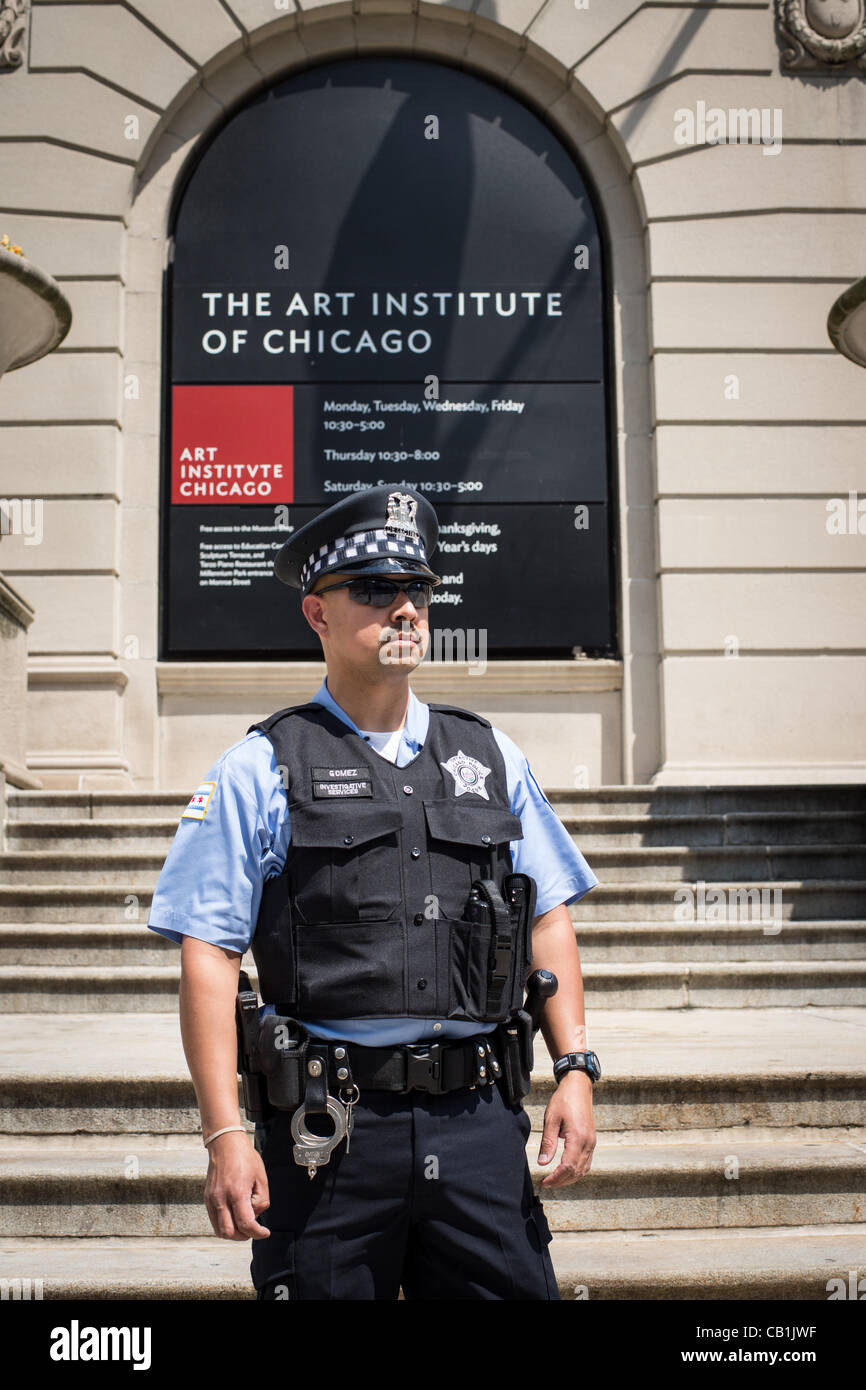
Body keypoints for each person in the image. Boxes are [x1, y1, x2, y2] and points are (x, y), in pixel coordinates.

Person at [148, 484, 600, 1300]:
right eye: (374, 589)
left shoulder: (490, 754)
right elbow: (208, 954)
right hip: (331, 1137)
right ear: (316, 615)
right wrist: (224, 1133)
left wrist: (574, 1067)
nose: (403, 609)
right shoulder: (262, 767)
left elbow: (548, 918)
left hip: (477, 1128)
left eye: (417, 589)